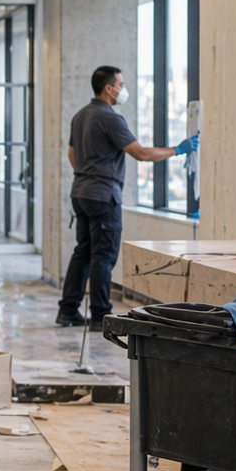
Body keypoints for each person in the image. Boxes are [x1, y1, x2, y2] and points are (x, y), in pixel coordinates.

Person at [57, 65, 197, 330]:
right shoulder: (110, 118)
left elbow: (72, 155)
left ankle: (67, 311)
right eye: (120, 85)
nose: (123, 89)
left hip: (80, 192)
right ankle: (100, 316)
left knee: (83, 252)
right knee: (103, 255)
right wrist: (179, 149)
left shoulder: (80, 116)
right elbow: (141, 153)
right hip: (103, 196)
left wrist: (88, 174)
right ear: (109, 89)